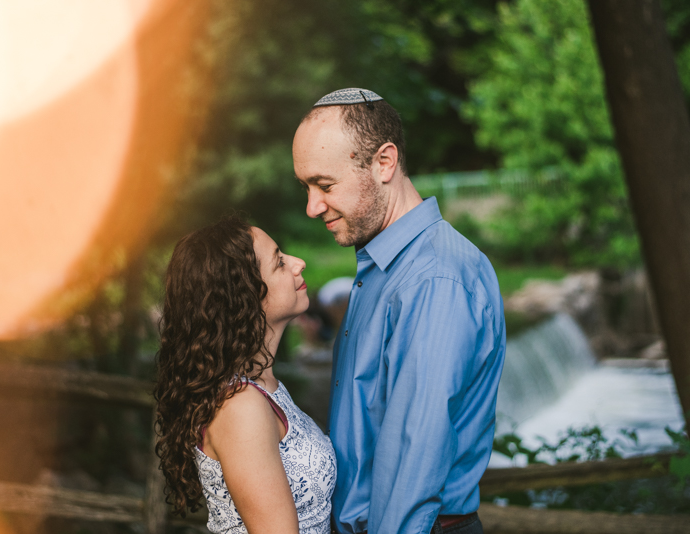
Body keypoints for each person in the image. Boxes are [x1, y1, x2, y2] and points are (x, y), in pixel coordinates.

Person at [292, 88, 506, 534]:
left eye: (324, 185)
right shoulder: (383, 266)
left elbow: (414, 461)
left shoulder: (433, 280)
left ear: (384, 162)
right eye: (306, 188)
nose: (312, 207)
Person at [154, 215, 337, 534]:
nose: (299, 263)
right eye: (279, 263)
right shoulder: (240, 407)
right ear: (245, 296)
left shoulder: (261, 386)